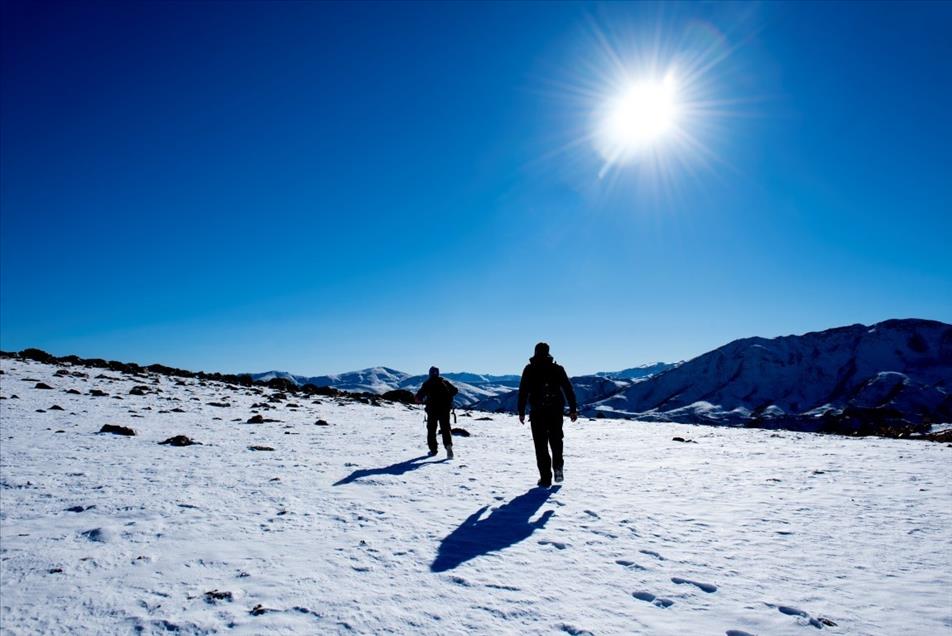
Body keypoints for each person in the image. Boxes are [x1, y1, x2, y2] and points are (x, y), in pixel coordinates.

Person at [518, 342, 577, 487]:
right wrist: (573, 409)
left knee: (541, 445)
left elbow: (523, 391)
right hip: (555, 411)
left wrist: (521, 411)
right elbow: (568, 389)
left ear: (535, 352)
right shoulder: (557, 369)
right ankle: (558, 467)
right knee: (556, 440)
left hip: (537, 412)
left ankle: (545, 478)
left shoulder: (529, 369)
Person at [415, 366, 458, 459]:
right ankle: (448, 446)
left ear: (430, 373)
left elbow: (418, 397)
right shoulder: (444, 382)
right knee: (446, 429)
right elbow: (455, 390)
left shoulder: (427, 384)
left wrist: (422, 400)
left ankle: (433, 450)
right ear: (438, 373)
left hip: (432, 411)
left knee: (431, 430)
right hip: (445, 410)